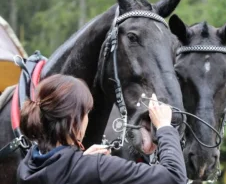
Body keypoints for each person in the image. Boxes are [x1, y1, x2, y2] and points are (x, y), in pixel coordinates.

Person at [17, 74, 187, 184]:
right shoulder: (96, 168)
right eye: (86, 113)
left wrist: (82, 161)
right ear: (72, 120)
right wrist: (164, 126)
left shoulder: (27, 165)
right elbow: (174, 177)